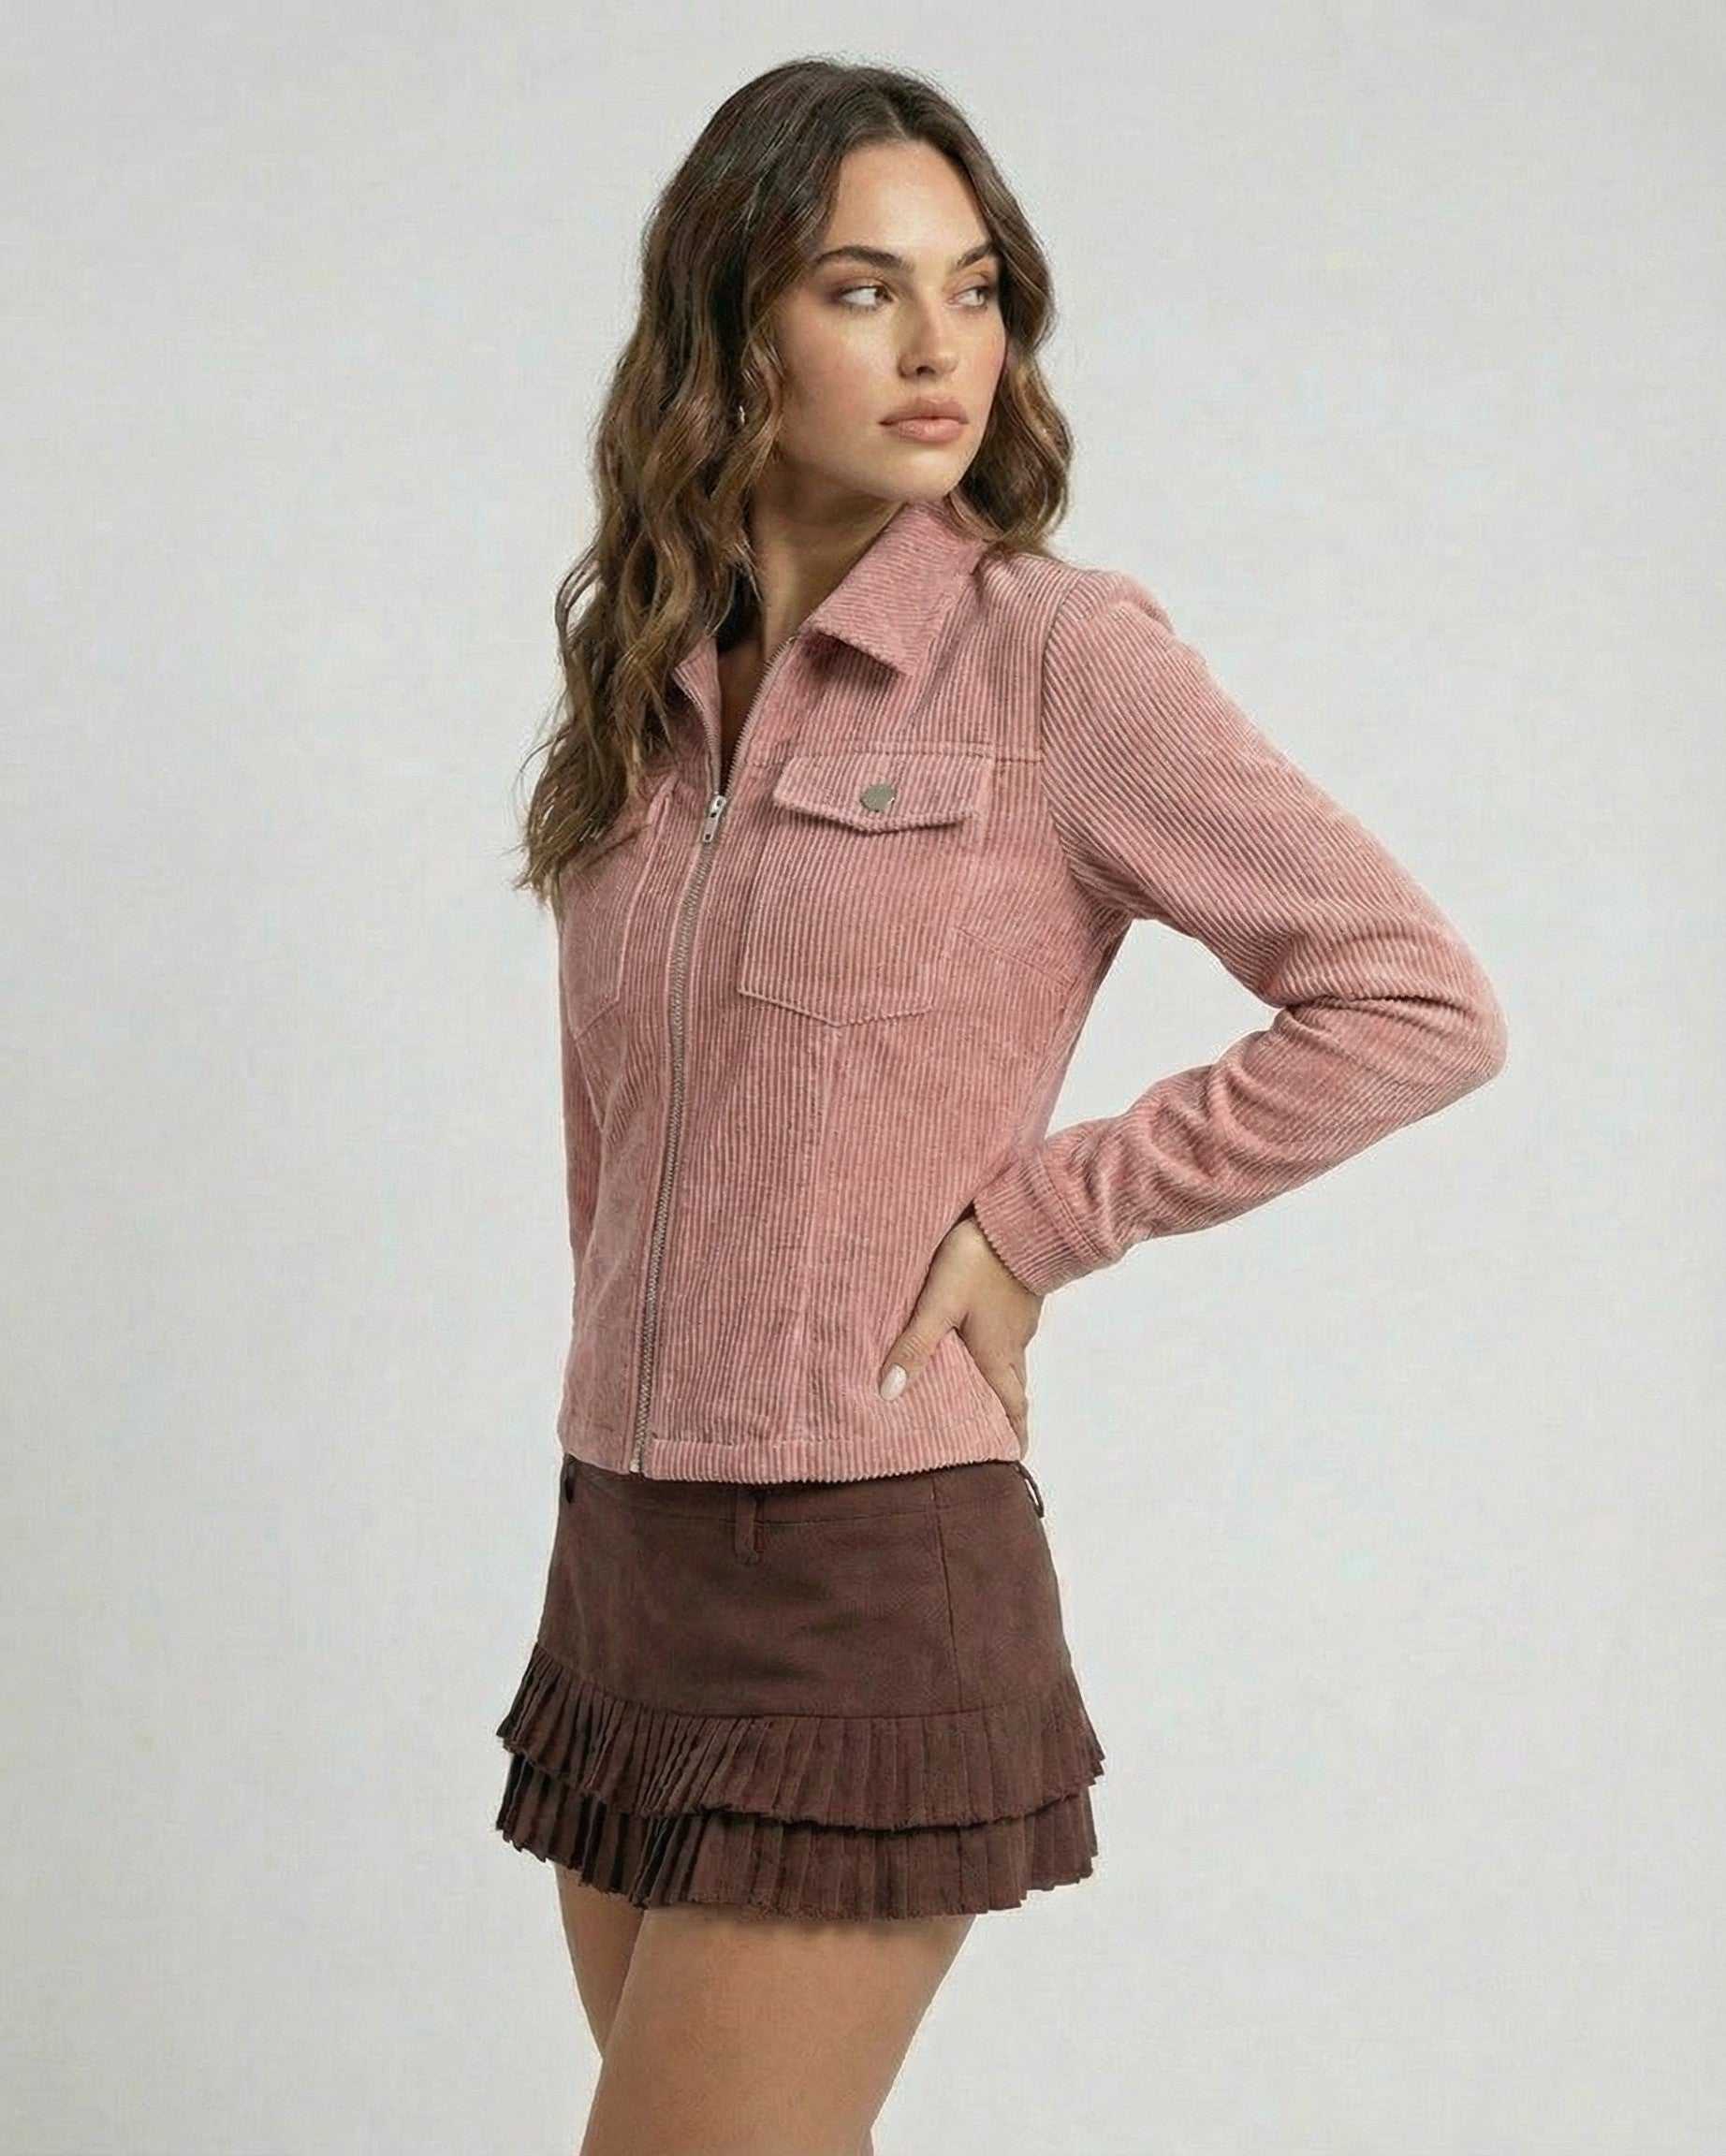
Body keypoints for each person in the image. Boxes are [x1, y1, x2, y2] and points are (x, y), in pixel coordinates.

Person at [494, 57, 1508, 2156]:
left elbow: (1412, 999)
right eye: (863, 288)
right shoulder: (646, 681)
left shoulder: (1056, 662)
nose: (940, 346)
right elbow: (619, 1138)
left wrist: (1041, 1221)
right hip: (623, 1549)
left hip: (865, 1564)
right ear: (730, 323)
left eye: (974, 289)